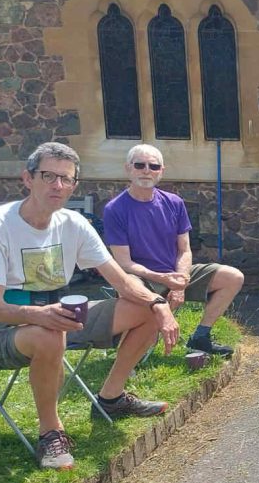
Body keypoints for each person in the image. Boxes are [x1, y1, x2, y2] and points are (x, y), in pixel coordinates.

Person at [0, 142, 180, 470]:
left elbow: (122, 280)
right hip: (0, 334)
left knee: (144, 308)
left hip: (62, 319)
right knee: (48, 333)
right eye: (48, 176)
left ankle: (111, 398)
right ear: (28, 178)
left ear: (74, 185)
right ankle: (50, 433)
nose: (58, 185)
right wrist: (42, 315)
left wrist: (158, 303)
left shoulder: (73, 224)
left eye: (66, 179)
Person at [103, 144, 244, 356]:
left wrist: (180, 282)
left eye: (154, 166)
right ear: (128, 169)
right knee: (136, 302)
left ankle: (200, 337)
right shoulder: (115, 209)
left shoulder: (174, 203)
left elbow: (184, 250)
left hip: (174, 273)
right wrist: (162, 278)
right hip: (140, 278)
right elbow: (124, 263)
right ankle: (128, 349)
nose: (146, 170)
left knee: (233, 277)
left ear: (162, 171)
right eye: (140, 165)